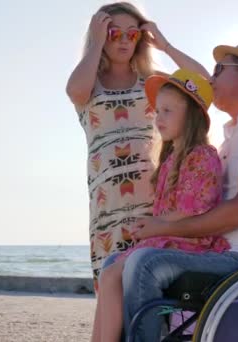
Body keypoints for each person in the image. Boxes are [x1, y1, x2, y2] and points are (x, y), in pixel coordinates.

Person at [117, 38, 238, 340]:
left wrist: (163, 228)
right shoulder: (236, 135)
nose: (211, 77)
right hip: (221, 252)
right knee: (121, 261)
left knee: (146, 262)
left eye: (219, 69)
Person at [65, 1, 209, 291]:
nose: (123, 40)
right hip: (109, 203)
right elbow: (75, 90)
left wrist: (165, 45)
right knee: (111, 289)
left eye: (132, 34)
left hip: (155, 198)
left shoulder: (152, 82)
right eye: (113, 32)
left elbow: (203, 83)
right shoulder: (90, 83)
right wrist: (95, 41)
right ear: (101, 35)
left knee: (150, 289)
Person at [92, 70, 228, 342]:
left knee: (111, 275)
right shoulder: (170, 160)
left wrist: (155, 227)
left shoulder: (201, 156)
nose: (158, 118)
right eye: (157, 111)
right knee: (109, 269)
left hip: (190, 241)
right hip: (170, 237)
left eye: (167, 111)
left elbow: (194, 209)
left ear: (191, 116)